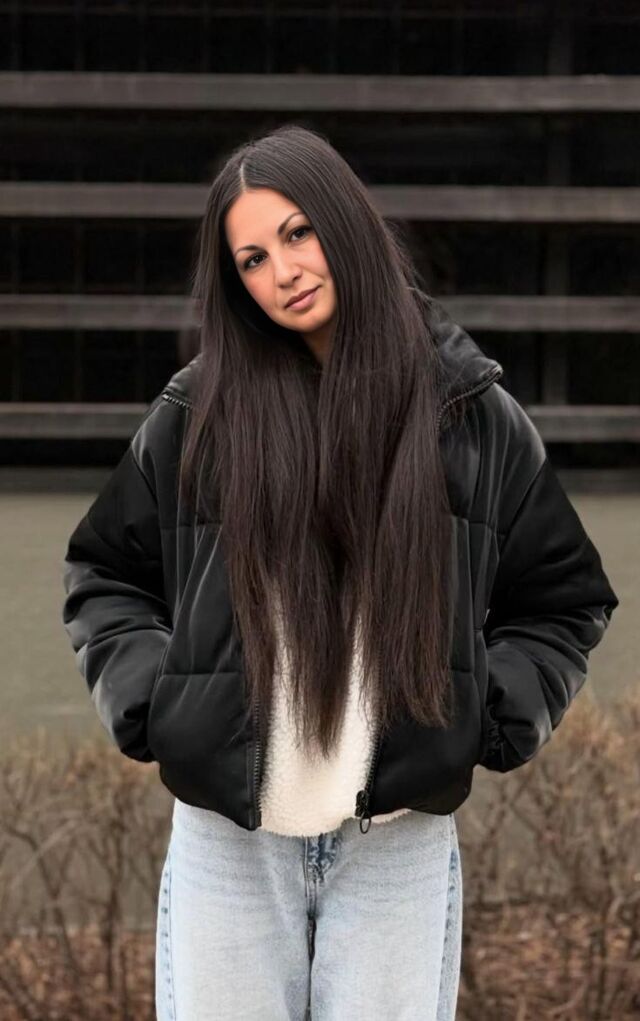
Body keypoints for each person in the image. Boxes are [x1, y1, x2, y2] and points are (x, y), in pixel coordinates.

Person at [61, 124, 619, 1021]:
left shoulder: (471, 413)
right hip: (228, 846)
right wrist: (158, 703)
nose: (282, 271)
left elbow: (563, 596)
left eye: (298, 232)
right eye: (251, 258)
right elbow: (105, 573)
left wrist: (482, 714)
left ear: (345, 222)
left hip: (396, 847)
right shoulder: (198, 413)